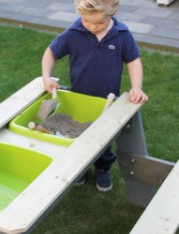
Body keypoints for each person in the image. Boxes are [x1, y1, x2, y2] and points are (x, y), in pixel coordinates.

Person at [42, 0, 148, 192]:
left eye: (98, 23)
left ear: (112, 13)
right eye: (86, 21)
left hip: (107, 102)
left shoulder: (122, 35)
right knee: (78, 136)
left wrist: (137, 87)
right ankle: (80, 169)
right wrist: (46, 77)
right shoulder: (74, 32)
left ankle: (102, 169)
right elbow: (50, 53)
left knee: (103, 141)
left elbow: (133, 61)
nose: (91, 27)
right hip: (79, 99)